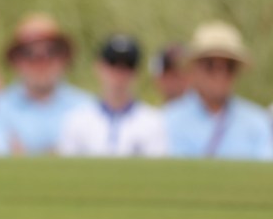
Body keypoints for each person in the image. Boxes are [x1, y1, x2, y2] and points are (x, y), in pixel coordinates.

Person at [0, 13, 92, 155]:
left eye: (51, 52)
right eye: (28, 54)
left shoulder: (86, 106)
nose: (41, 61)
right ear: (16, 61)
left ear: (64, 58)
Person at [164, 21, 272, 161]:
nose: (220, 74)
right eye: (210, 65)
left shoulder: (257, 123)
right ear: (193, 69)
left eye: (229, 66)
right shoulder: (165, 121)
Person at [58, 35, 167, 158]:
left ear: (136, 72)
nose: (119, 73)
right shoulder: (77, 120)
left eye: (128, 65)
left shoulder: (153, 121)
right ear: (98, 67)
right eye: (113, 63)